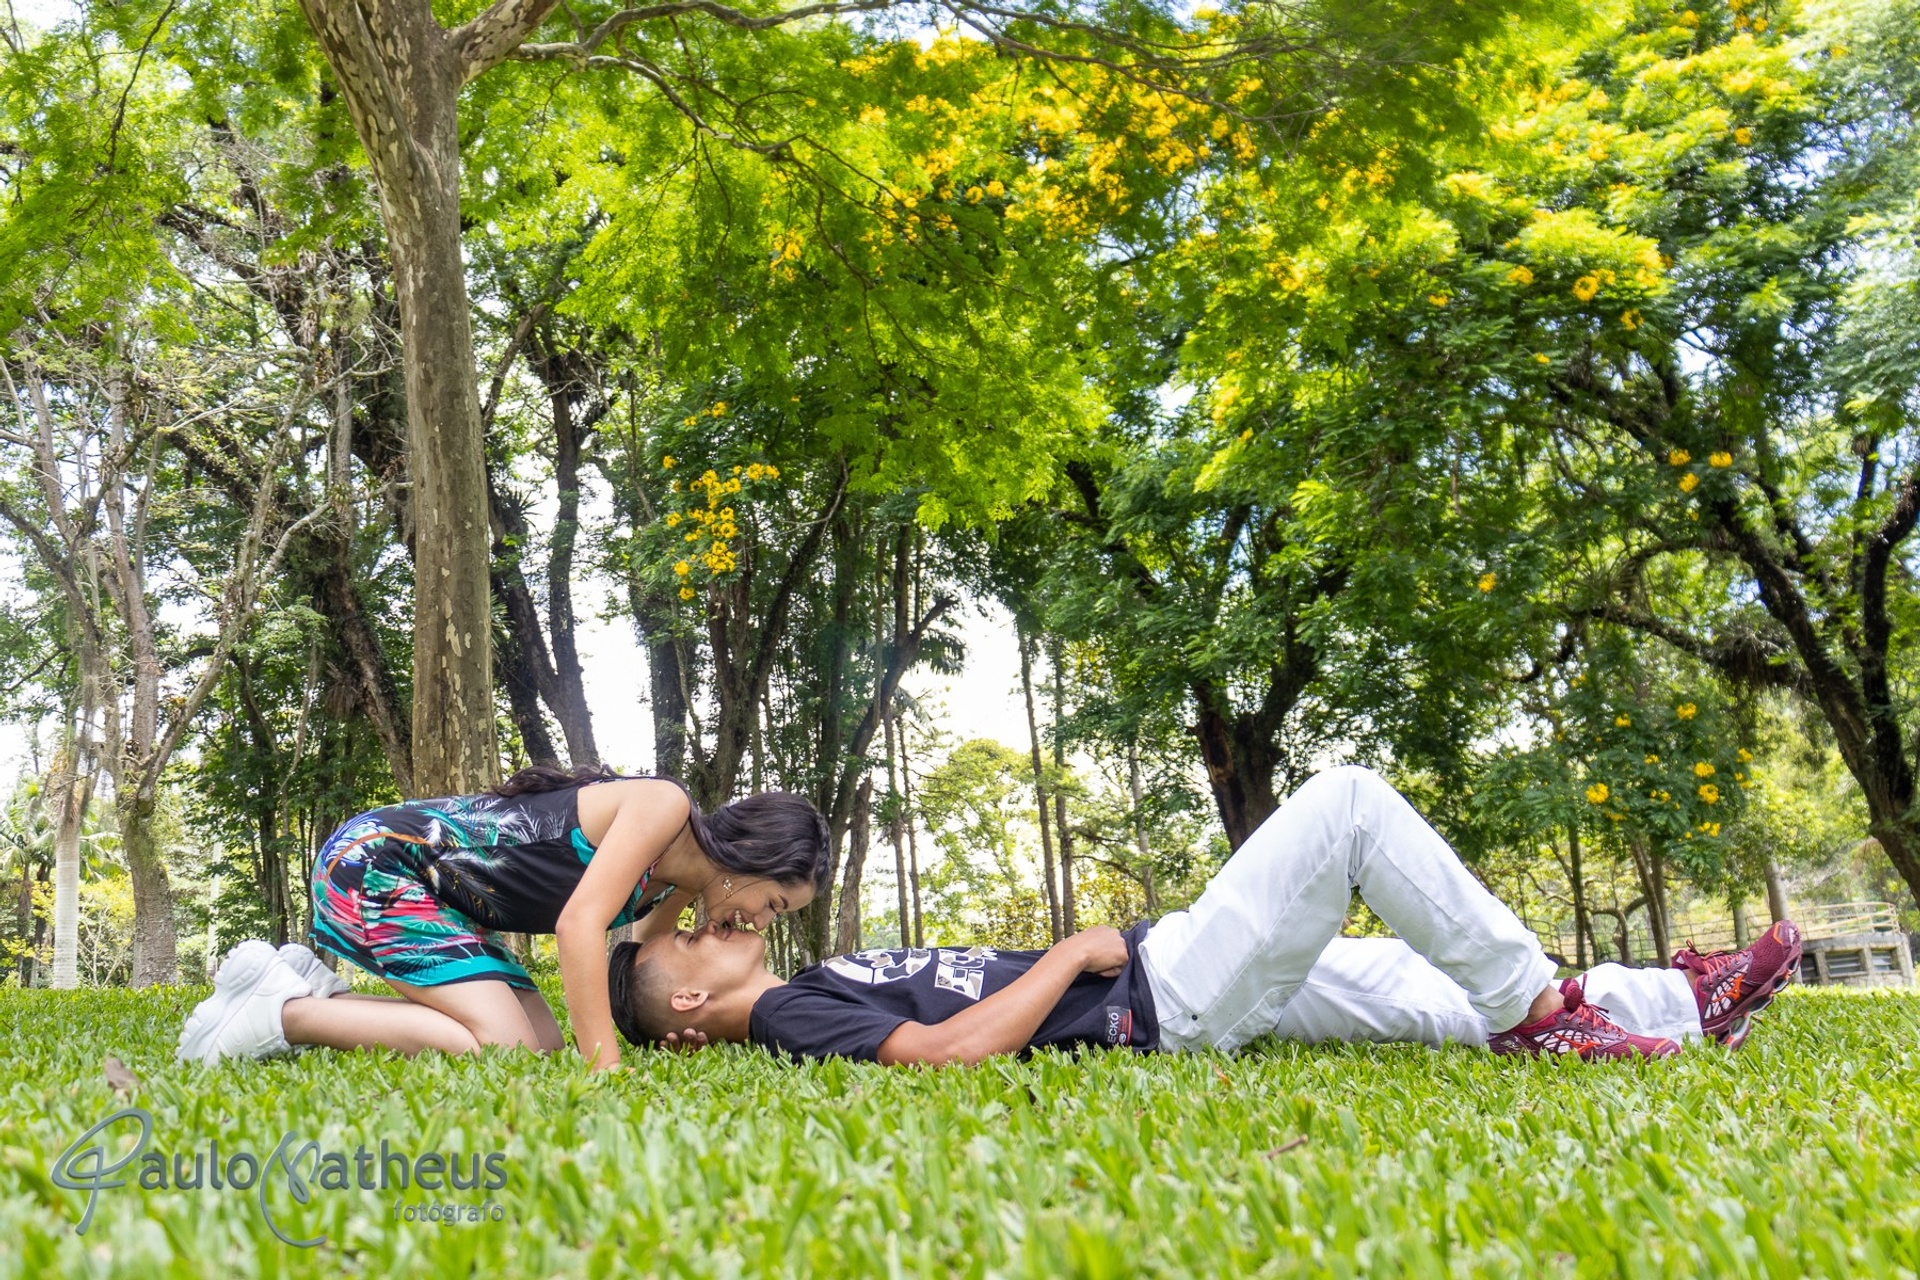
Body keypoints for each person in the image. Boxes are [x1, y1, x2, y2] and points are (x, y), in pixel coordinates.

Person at [609, 765, 1802, 1064]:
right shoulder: (791, 1015)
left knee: (1414, 995)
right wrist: (1078, 946)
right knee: (1342, 804)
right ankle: (1547, 1010)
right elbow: (944, 1050)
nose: (702, 911)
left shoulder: (804, 983)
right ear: (694, 1002)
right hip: (1152, 993)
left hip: (1165, 969)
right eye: (682, 934)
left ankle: (1680, 1004)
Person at [178, 764, 830, 1070]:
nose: (760, 923)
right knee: (504, 1044)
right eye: (772, 904)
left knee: (538, 1048)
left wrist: (670, 1029)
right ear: (749, 856)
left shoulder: (679, 888)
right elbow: (580, 928)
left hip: (438, 902)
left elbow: (629, 979)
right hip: (378, 861)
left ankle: (320, 992)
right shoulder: (663, 807)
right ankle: (282, 1014)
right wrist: (603, 1067)